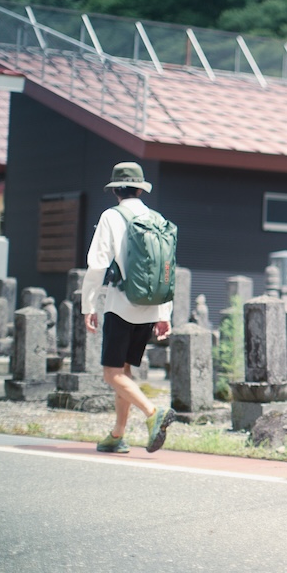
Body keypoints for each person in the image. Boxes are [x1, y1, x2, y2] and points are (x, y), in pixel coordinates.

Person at [82, 162, 175, 454]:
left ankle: (153, 413)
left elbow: (98, 264)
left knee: (111, 374)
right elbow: (166, 268)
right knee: (124, 370)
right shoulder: (157, 219)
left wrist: (89, 304)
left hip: (121, 305)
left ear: (116, 191)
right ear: (140, 189)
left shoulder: (111, 216)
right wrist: (164, 313)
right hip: (150, 307)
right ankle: (117, 434)